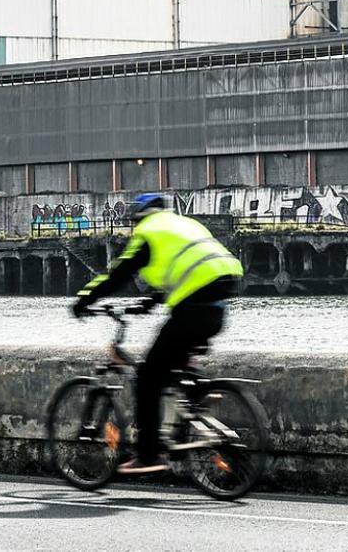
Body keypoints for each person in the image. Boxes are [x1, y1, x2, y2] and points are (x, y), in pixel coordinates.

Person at [72, 192, 243, 475]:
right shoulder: (184, 225)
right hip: (219, 300)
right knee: (176, 361)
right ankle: (198, 392)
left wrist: (84, 299)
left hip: (193, 306)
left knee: (147, 377)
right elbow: (183, 269)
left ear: (138, 218)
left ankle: (149, 454)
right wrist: (152, 300)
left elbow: (120, 274)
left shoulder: (148, 232)